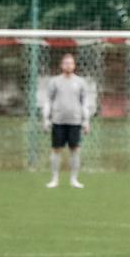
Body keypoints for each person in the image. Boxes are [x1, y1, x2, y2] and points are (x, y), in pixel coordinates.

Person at [42, 52, 92, 189]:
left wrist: (86, 121)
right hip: (58, 121)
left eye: (71, 63)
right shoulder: (55, 82)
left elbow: (84, 102)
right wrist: (46, 119)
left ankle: (74, 179)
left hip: (75, 121)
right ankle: (54, 179)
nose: (68, 65)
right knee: (56, 150)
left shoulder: (80, 82)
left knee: (75, 150)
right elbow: (48, 100)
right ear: (61, 65)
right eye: (66, 63)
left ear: (74, 65)